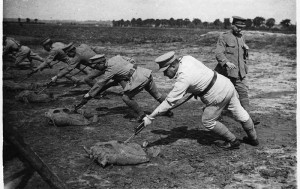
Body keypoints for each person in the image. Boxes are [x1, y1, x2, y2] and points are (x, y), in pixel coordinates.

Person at [142, 51, 259, 150]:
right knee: (240, 113)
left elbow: (168, 102)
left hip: (216, 94)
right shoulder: (187, 58)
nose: (164, 75)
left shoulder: (183, 79)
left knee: (208, 120)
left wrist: (150, 117)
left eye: (165, 71)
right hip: (226, 84)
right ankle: (253, 139)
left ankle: (232, 141)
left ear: (173, 66)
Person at [74, 54, 173, 122]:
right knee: (157, 95)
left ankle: (141, 115)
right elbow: (131, 60)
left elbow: (100, 83)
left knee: (126, 97)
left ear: (101, 63)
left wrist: (89, 94)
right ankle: (168, 111)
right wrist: (127, 71)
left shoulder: (110, 70)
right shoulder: (116, 57)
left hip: (138, 78)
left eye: (96, 66)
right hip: (145, 72)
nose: (95, 69)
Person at [214, 16, 260, 125]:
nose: (240, 30)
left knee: (243, 93)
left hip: (240, 72)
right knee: (222, 95)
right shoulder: (224, 36)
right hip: (226, 73)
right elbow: (218, 52)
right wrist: (226, 62)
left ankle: (248, 117)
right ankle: (215, 115)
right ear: (232, 25)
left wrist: (246, 49)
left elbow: (242, 55)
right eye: (238, 27)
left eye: (241, 28)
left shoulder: (241, 37)